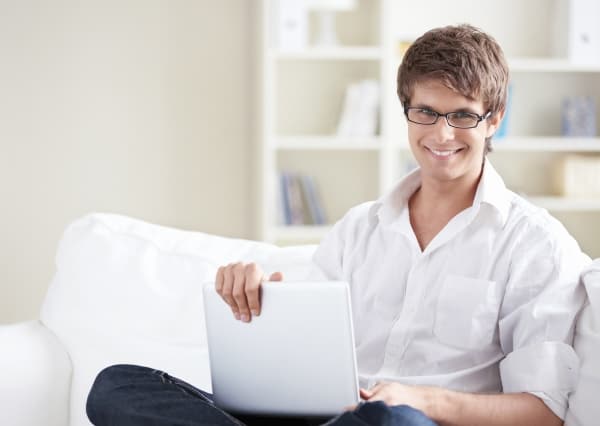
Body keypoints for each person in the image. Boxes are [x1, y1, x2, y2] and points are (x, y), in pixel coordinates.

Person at [86, 24, 590, 426]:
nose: (441, 133)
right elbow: (302, 354)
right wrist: (259, 297)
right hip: (319, 417)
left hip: (405, 423)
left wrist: (424, 400)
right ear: (406, 112)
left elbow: (542, 411)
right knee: (117, 385)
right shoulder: (359, 227)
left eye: (463, 115)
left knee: (395, 421)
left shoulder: (535, 244)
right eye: (426, 112)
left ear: (494, 118)